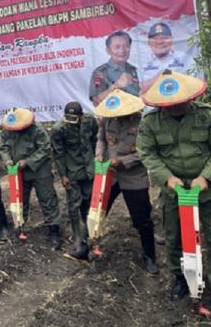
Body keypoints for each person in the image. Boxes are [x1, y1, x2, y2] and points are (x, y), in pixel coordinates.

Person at [137, 70, 211, 300]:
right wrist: (167, 178)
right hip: (173, 190)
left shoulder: (206, 115)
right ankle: (180, 278)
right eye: (169, 105)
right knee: (175, 235)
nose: (174, 108)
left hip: (206, 188)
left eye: (179, 104)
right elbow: (147, 152)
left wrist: (206, 177)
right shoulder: (150, 122)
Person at [94, 89, 158, 274]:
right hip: (109, 176)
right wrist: (99, 153)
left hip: (133, 176)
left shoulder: (142, 123)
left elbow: (146, 152)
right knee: (98, 210)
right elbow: (101, 140)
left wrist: (123, 162)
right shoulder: (107, 119)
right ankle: (88, 245)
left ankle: (149, 256)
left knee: (142, 218)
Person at [0, 108, 61, 249]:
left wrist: (27, 162)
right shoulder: (7, 130)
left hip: (40, 170)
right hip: (18, 172)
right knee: (20, 199)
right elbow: (3, 148)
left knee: (47, 199)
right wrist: (7, 159)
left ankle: (54, 231)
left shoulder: (37, 130)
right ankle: (20, 226)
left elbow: (45, 149)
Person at [51, 102, 99, 260]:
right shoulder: (59, 129)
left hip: (89, 169)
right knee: (73, 204)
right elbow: (59, 153)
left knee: (89, 202)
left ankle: (89, 235)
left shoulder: (90, 121)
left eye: (74, 118)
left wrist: (96, 160)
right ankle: (77, 236)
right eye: (68, 118)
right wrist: (63, 175)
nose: (70, 121)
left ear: (81, 116)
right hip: (72, 171)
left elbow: (95, 140)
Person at [90, 31, 140, 105]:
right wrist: (115, 86)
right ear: (108, 50)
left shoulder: (132, 70)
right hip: (113, 115)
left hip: (135, 115)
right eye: (117, 47)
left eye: (126, 46)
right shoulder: (100, 72)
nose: (122, 51)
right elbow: (96, 102)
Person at [140, 23, 186, 94]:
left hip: (180, 103)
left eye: (165, 38)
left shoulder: (185, 58)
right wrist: (159, 77)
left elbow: (197, 83)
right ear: (149, 42)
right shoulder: (140, 62)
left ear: (171, 40)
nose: (160, 42)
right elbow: (139, 90)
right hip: (152, 104)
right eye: (155, 38)